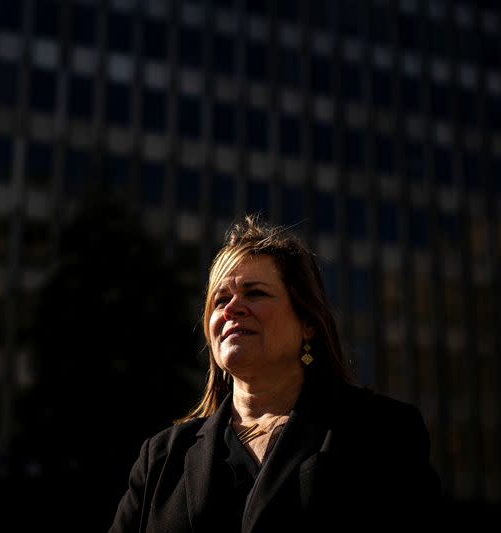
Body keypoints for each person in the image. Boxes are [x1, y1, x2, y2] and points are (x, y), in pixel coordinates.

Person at [108, 214, 443, 533]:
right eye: (221, 300)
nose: (232, 308)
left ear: (308, 322)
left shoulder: (382, 431)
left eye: (256, 293)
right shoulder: (163, 457)